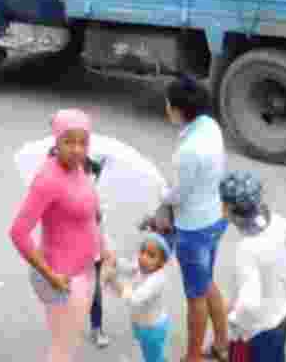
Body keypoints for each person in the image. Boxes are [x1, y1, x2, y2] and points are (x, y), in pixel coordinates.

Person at [9, 109, 113, 362]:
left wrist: (105, 248)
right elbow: (18, 233)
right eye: (69, 141)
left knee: (67, 347)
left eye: (83, 142)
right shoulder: (48, 179)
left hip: (85, 272)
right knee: (62, 351)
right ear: (56, 141)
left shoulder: (80, 169)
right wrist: (50, 274)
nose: (77, 149)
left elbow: (90, 217)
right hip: (64, 279)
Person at [158, 77, 229, 362]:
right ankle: (223, 342)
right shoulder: (210, 126)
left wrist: (162, 194)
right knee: (207, 281)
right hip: (215, 217)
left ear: (177, 110)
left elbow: (179, 195)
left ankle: (192, 357)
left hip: (193, 229)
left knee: (195, 297)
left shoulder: (189, 151)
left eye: (167, 103)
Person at [219, 171, 286, 362]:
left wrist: (234, 320)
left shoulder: (246, 249)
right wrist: (282, 270)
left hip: (258, 332)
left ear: (229, 209)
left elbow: (250, 304)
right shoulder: (275, 221)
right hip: (282, 316)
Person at [105, 232, 173, 362]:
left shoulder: (157, 280)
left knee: (152, 357)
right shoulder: (142, 266)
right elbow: (129, 267)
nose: (143, 258)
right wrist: (115, 261)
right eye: (143, 252)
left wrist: (114, 283)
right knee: (151, 353)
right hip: (142, 323)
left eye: (151, 255)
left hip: (152, 329)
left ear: (162, 262)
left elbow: (134, 299)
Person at [87, 155, 110, 348]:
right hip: (71, 249)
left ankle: (96, 326)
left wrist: (103, 248)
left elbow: (99, 224)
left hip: (92, 250)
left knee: (94, 290)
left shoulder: (94, 194)